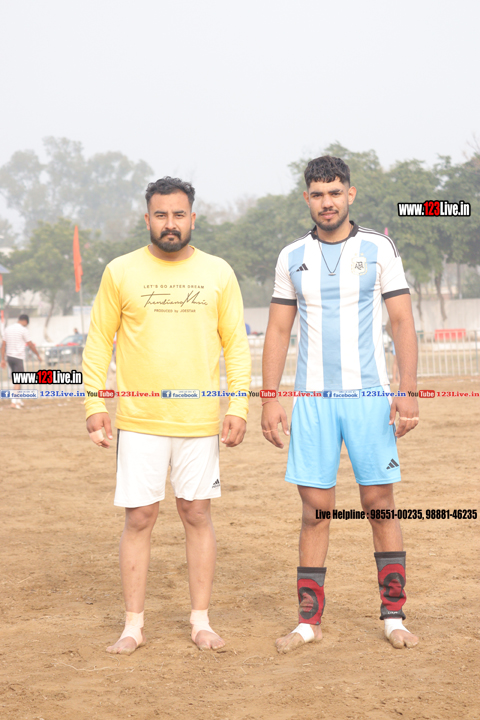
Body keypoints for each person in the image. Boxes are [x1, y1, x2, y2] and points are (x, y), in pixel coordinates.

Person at [83, 177, 250, 655]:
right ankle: (133, 625)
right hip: (140, 421)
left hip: (199, 422)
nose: (170, 224)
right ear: (147, 219)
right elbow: (99, 342)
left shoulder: (218, 272)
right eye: (161, 215)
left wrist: (238, 405)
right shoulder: (120, 271)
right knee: (140, 517)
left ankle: (201, 621)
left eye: (179, 215)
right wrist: (94, 404)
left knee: (197, 513)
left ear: (192, 218)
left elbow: (236, 345)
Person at [261, 156, 419, 653]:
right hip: (313, 402)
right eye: (317, 194)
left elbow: (402, 321)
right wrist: (270, 397)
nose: (326, 202)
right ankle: (308, 622)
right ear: (307, 198)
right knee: (315, 512)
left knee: (379, 505)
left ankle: (394, 616)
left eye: (334, 192)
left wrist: (408, 388)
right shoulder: (292, 255)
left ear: (350, 194)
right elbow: (278, 330)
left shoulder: (378, 248)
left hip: (369, 399)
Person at [1, 314, 41, 409]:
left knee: (16, 379)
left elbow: (3, 345)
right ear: (26, 321)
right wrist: (37, 355)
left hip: (9, 357)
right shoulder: (23, 330)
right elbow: (30, 344)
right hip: (18, 357)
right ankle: (13, 402)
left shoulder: (8, 329)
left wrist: (2, 359)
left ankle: (18, 400)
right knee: (18, 380)